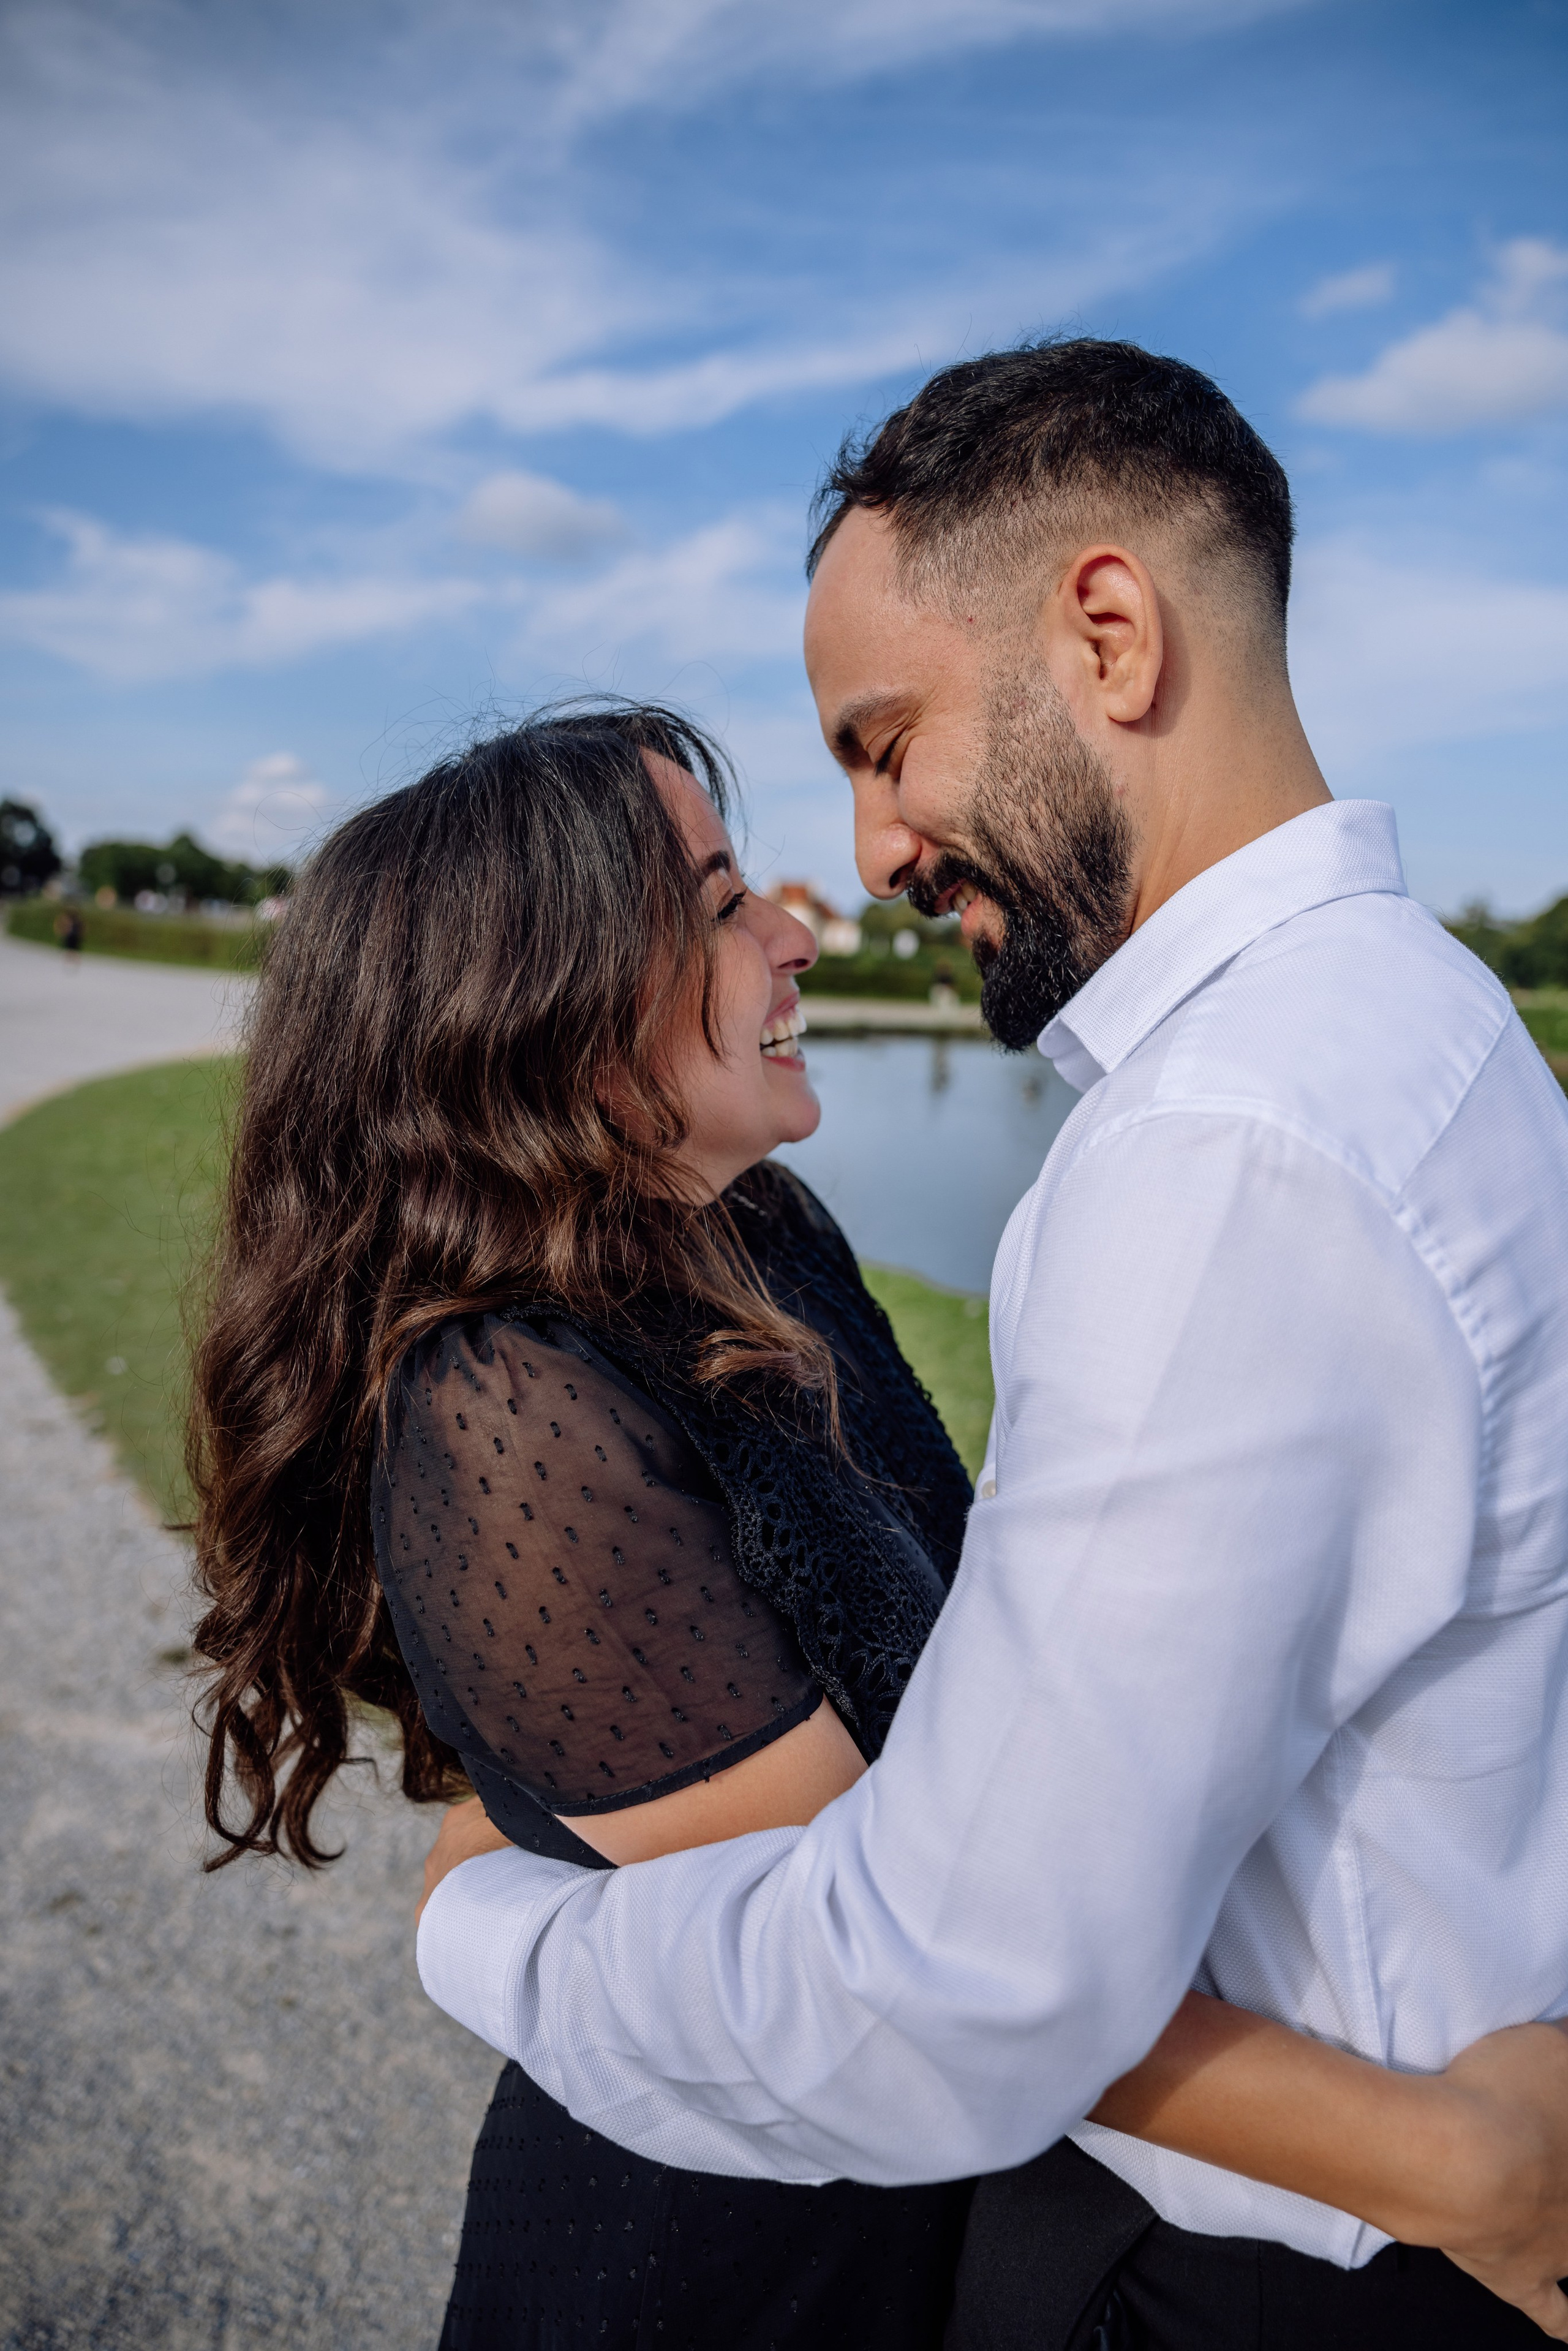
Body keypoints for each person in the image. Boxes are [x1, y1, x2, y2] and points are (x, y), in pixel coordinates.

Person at [411, 345, 1568, 2350]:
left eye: (886, 739)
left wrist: (486, 1928)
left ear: (1108, 637)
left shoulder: (1220, 1155)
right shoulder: (1435, 1024)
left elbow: (960, 1982)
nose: (862, 861)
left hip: (1253, 2284)